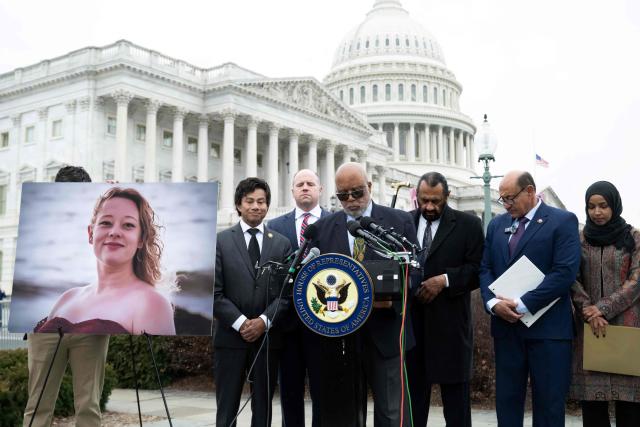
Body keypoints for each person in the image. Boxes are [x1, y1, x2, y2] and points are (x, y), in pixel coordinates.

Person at [310, 162, 418, 427]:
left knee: (391, 412)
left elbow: (416, 273)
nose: (351, 200)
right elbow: (316, 279)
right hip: (341, 339)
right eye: (343, 195)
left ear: (369, 187)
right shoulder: (323, 228)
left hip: (386, 333)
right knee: (343, 414)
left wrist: (390, 294)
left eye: (357, 192)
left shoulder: (398, 221)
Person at [479, 170, 581, 426]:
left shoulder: (562, 221)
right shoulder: (497, 224)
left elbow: (564, 272)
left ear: (530, 191)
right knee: (507, 404)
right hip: (506, 329)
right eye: (502, 199)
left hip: (548, 332)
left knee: (548, 406)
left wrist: (523, 304)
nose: (506, 204)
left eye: (510, 198)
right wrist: (492, 304)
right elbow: (486, 268)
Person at [23, 166, 108, 427]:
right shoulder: (38, 218)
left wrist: (112, 199)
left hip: (91, 323)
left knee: (89, 406)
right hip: (45, 323)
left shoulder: (103, 220)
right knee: (38, 404)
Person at [35, 186, 175, 335]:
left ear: (141, 239)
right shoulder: (66, 298)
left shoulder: (152, 304)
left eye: (128, 225)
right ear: (90, 234)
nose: (114, 232)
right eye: (106, 223)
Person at [407, 172, 484, 427]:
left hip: (450, 327)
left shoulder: (468, 225)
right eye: (424, 200)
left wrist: (445, 280)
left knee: (456, 407)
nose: (429, 207)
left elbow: (477, 269)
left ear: (447, 197)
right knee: (413, 404)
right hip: (413, 329)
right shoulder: (404, 222)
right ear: (416, 197)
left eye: (436, 201)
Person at [214, 177, 292, 427]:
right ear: (239, 205)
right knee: (227, 408)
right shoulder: (221, 241)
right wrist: (241, 323)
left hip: (267, 341)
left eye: (261, 202)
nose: (256, 206)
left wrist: (263, 322)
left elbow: (285, 295)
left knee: (263, 409)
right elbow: (214, 293)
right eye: (250, 201)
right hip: (229, 339)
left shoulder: (281, 244)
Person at [569, 181, 640, 427]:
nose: (597, 212)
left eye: (603, 206)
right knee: (593, 410)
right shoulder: (579, 240)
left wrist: (603, 308)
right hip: (590, 330)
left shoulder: (633, 237)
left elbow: (637, 280)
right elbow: (572, 278)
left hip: (627, 331)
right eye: (591, 207)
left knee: (630, 409)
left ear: (614, 206)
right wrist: (590, 312)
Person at [268, 169, 328, 427]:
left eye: (310, 184)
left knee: (323, 393)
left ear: (320, 190)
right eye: (300, 184)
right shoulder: (275, 226)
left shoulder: (335, 223)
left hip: (323, 321)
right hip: (287, 323)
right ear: (292, 190)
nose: (305, 188)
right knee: (290, 393)